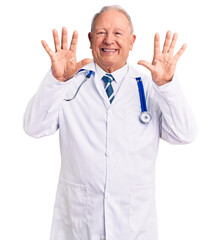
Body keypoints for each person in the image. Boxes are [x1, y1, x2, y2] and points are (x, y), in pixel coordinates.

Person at [24, 5, 197, 240]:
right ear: (90, 39)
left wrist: (167, 86)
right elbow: (34, 127)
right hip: (77, 229)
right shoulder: (69, 84)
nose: (109, 40)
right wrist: (56, 81)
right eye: (102, 32)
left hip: (134, 229)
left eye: (118, 33)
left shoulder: (148, 87)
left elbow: (184, 134)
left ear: (132, 40)